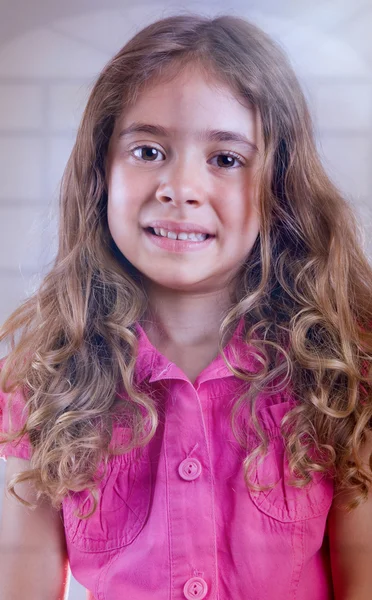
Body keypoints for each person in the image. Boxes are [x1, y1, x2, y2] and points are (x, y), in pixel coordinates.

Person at [0, 13, 372, 600]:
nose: (180, 187)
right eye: (148, 150)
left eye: (226, 159)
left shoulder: (342, 370)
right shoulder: (44, 378)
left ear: (279, 186)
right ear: (102, 171)